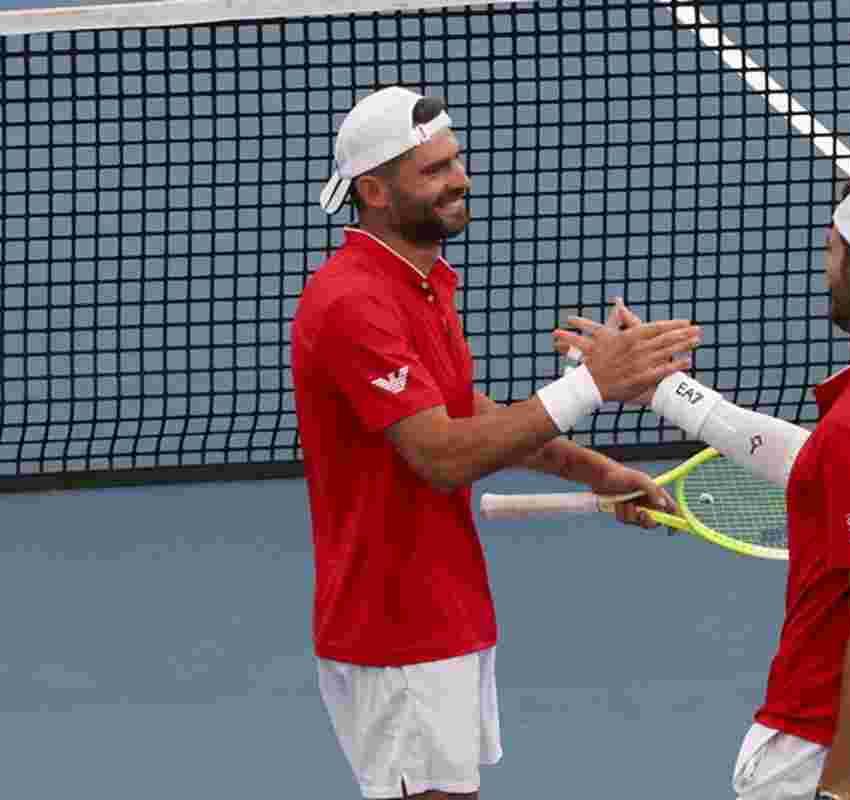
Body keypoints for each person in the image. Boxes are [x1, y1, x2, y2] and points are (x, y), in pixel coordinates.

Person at [292, 85, 701, 800]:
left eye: (456, 160)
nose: (461, 179)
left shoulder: (420, 280)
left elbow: (463, 412)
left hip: (441, 607)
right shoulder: (353, 301)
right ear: (373, 191)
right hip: (395, 626)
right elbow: (442, 455)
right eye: (435, 170)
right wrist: (589, 387)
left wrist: (595, 470)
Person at [556, 179, 850, 800]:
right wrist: (666, 392)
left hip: (844, 752)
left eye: (833, 251)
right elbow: (818, 465)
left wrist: (836, 791)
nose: (826, 265)